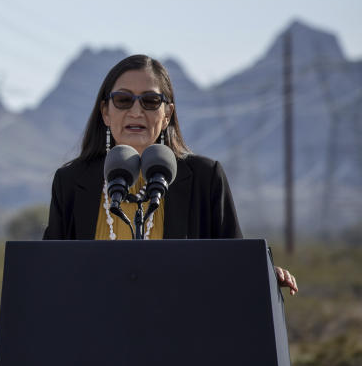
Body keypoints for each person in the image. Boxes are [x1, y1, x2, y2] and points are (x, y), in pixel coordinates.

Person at [43, 54, 298, 294]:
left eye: (150, 101)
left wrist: (262, 273)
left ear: (167, 115)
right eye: (123, 100)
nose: (136, 111)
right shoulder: (71, 182)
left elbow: (233, 259)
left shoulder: (205, 178)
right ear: (105, 112)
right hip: (93, 334)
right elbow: (47, 271)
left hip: (179, 333)